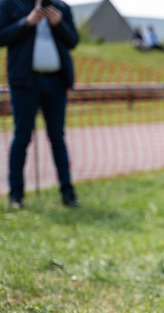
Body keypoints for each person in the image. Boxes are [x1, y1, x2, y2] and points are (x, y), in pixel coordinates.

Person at [0, 0, 80, 209]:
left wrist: (58, 23)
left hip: (55, 81)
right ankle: (16, 195)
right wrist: (26, 22)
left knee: (57, 138)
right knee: (22, 137)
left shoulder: (61, 8)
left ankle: (68, 193)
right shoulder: (10, 5)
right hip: (24, 82)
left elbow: (73, 41)